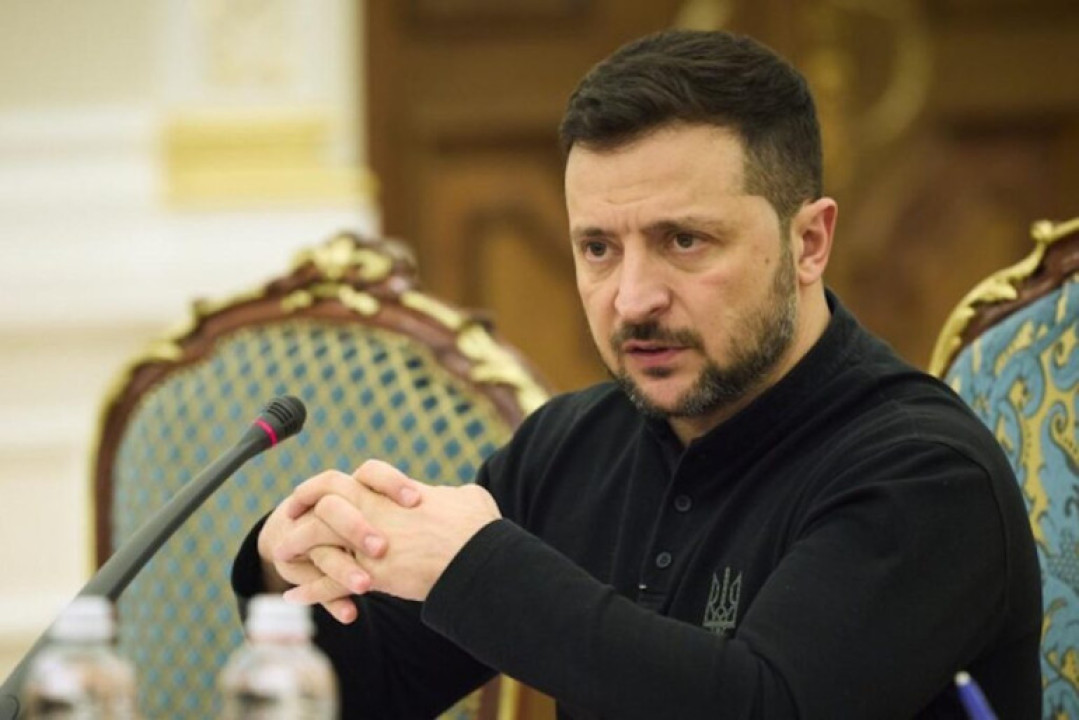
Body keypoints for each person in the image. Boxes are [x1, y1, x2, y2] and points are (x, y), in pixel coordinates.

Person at [230, 29, 1042, 719]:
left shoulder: (925, 474)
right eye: (597, 248)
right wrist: (290, 577)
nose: (631, 299)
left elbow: (766, 704)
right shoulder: (568, 447)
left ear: (808, 243)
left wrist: (477, 567)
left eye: (683, 241)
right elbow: (374, 691)